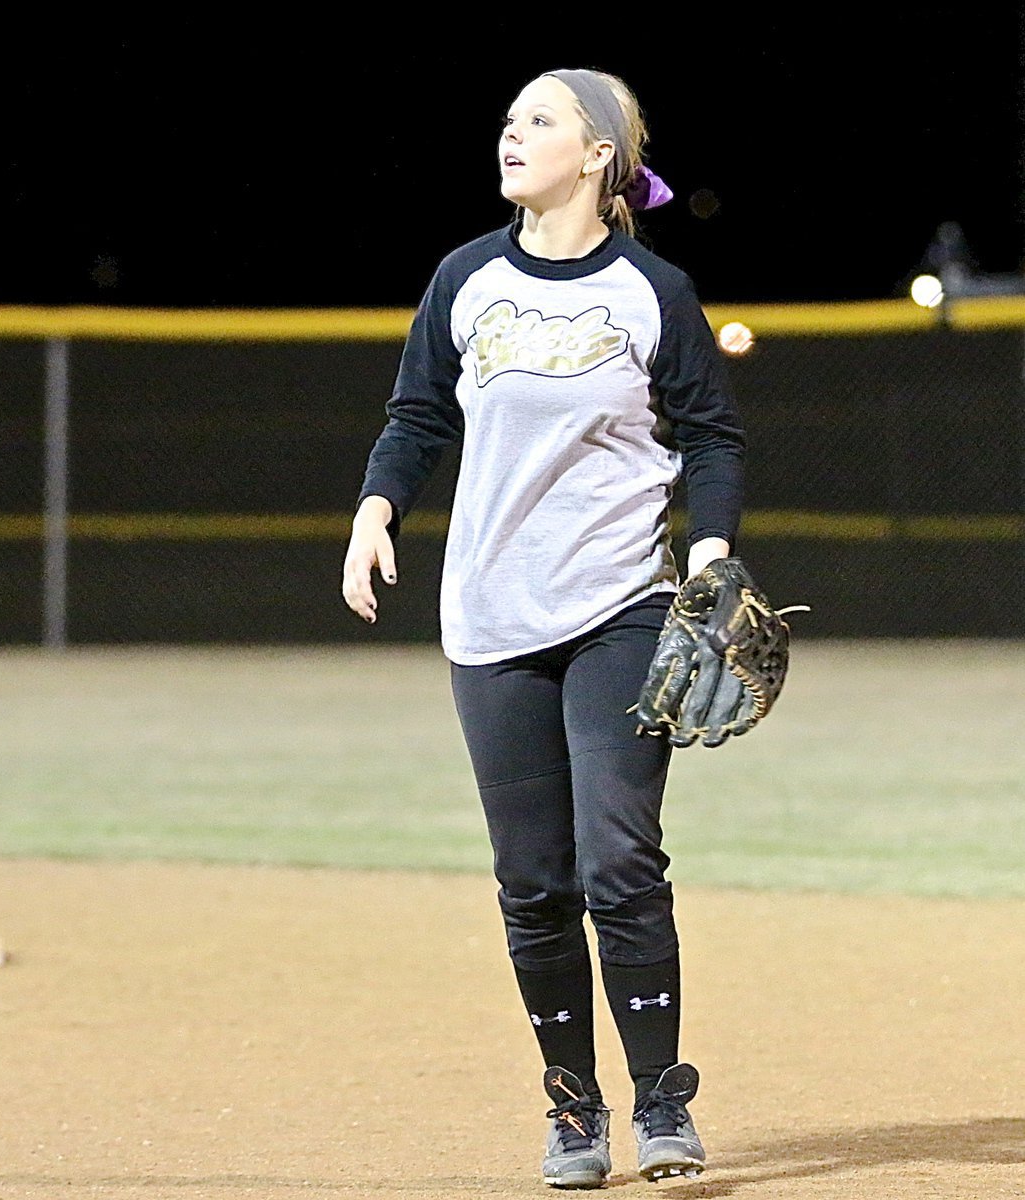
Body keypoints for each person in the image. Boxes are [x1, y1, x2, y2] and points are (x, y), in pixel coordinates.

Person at [341, 67, 745, 1189]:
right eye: (509, 120)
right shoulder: (464, 278)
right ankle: (575, 1110)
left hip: (621, 603)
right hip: (489, 616)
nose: (511, 135)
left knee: (619, 857)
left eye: (539, 120)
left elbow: (709, 438)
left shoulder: (650, 291)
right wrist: (377, 509)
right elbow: (417, 411)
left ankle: (660, 1098)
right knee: (532, 878)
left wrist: (707, 550)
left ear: (598, 154)